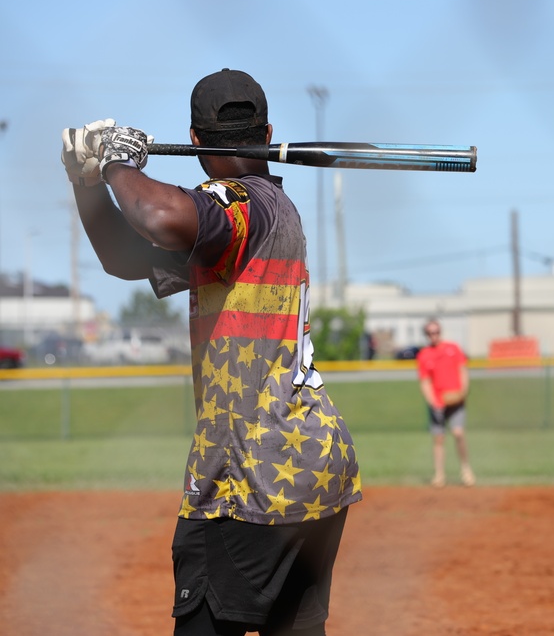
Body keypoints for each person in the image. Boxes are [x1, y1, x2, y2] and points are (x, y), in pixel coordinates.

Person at [61, 69, 362, 635]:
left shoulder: (237, 206)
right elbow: (126, 257)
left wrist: (118, 163)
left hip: (247, 476)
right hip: (313, 465)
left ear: (196, 142)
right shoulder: (271, 215)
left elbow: (157, 215)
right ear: (268, 132)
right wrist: (89, 183)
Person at [416, 318, 475, 487]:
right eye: (430, 333)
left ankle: (466, 470)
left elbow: (462, 370)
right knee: (439, 439)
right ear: (426, 335)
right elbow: (425, 382)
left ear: (440, 332)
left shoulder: (453, 348)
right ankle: (439, 475)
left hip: (456, 400)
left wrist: (463, 391)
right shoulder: (424, 355)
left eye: (436, 332)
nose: (434, 335)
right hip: (437, 402)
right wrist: (433, 402)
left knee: (458, 433)